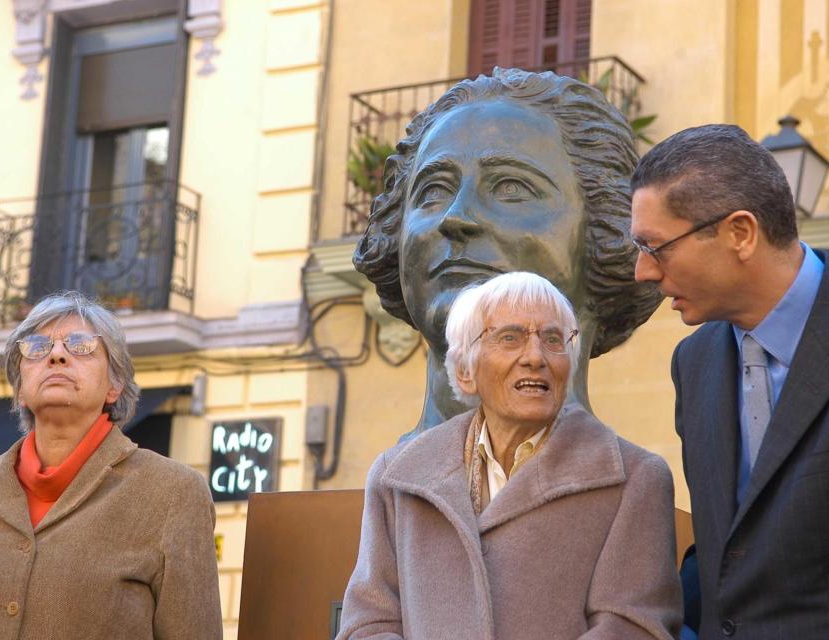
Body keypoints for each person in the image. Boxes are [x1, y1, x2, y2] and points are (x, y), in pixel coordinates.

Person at [337, 272, 682, 639]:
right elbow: (368, 623)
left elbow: (632, 627)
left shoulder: (635, 478)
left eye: (552, 340)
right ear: (466, 371)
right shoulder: (399, 478)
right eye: (510, 338)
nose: (535, 357)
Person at [353, 68, 661, 436]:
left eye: (512, 187)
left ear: (605, 226)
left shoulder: (638, 486)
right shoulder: (387, 487)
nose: (456, 217)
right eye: (434, 190)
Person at [631, 124, 829, 639]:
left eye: (656, 247)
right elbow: (730, 546)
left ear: (739, 233)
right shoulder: (692, 363)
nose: (642, 273)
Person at [0, 291, 222, 639]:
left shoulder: (171, 494)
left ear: (114, 385)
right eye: (37, 347)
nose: (57, 355)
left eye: (81, 346)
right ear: (19, 389)